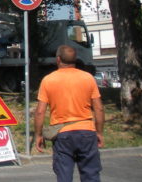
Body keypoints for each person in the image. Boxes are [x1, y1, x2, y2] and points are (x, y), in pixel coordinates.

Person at [34, 45, 105, 182]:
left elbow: (40, 111)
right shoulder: (88, 78)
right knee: (91, 175)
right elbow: (99, 108)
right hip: (87, 132)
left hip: (63, 134)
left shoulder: (48, 80)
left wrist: (38, 135)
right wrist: (99, 132)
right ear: (75, 60)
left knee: (64, 176)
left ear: (58, 59)